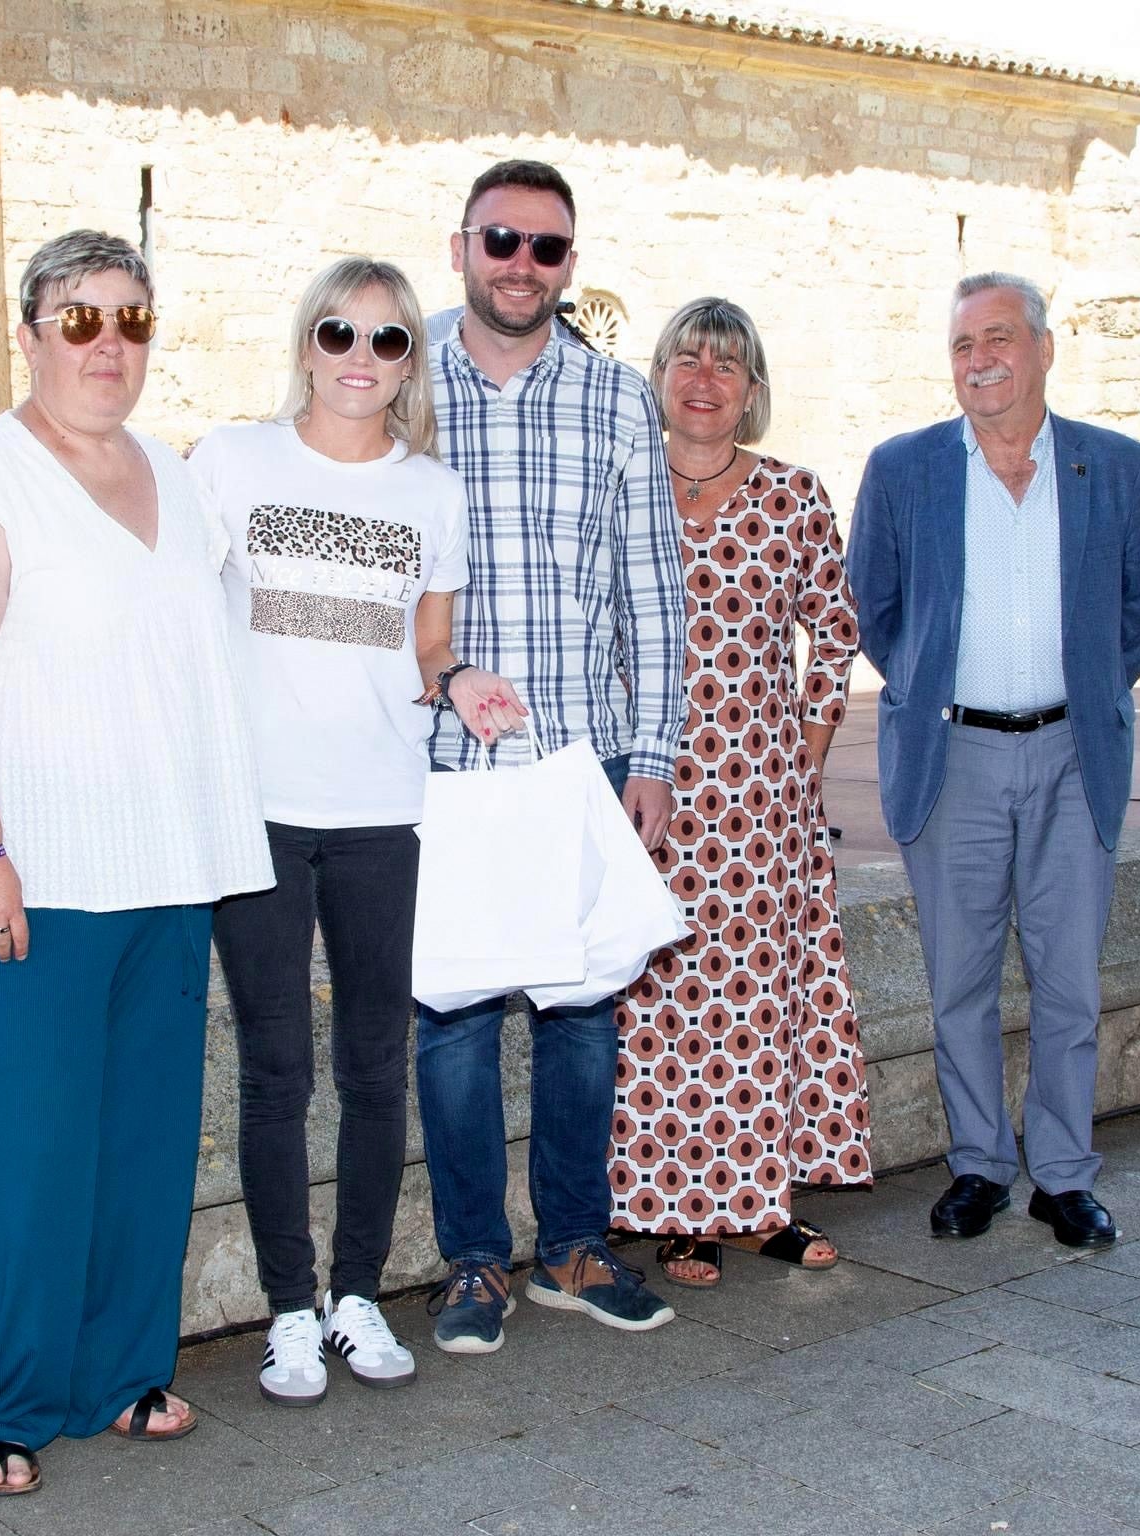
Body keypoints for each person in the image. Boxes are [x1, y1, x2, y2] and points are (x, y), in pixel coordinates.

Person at [0, 229, 272, 1496]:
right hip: (23, 875)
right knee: (18, 1149)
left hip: (164, 865)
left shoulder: (176, 471)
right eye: (82, 318)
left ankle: (117, 1373)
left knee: (141, 1141)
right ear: (30, 329)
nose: (110, 344)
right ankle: (3, 1405)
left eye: (134, 320)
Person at [416, 158, 689, 1352]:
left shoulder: (616, 397)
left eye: (545, 247)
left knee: (582, 1019)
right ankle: (475, 1262)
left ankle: (574, 1247)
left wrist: (655, 755)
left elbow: (652, 593)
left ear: (569, 263)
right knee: (453, 1023)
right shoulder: (396, 373)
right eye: (500, 241)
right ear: (462, 245)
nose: (520, 265)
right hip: (428, 761)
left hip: (574, 756)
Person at [847, 272, 1140, 1250]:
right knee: (960, 982)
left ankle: (1063, 1175)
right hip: (955, 757)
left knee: (1068, 978)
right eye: (960, 345)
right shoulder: (903, 469)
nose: (978, 359)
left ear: (1040, 347)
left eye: (996, 338)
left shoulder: (1115, 465)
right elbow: (875, 608)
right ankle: (979, 1165)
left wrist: (1082, 687)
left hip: (1075, 752)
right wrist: (929, 687)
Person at [193, 258, 467, 1405]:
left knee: (370, 1067)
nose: (360, 358)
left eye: (388, 340)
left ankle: (355, 1294)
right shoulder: (230, 462)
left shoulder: (431, 493)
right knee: (274, 1070)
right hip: (254, 811)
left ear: (409, 360)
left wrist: (467, 683)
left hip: (378, 811)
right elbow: (183, 623)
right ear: (305, 342)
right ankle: (287, 1310)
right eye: (338, 333)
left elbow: (429, 650)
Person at [612, 298, 872, 1289]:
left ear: (751, 389)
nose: (704, 378)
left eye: (727, 364)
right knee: (658, 997)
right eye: (687, 358)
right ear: (660, 374)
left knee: (761, 995)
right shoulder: (622, 488)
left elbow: (832, 629)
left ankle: (758, 1200)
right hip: (648, 785)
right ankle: (676, 1210)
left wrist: (803, 754)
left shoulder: (791, 494)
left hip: (761, 797)